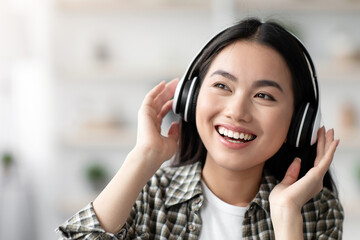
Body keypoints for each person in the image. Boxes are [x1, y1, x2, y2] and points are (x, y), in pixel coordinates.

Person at [57, 17, 344, 239]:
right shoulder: (146, 195)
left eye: (264, 95)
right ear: (191, 98)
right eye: (222, 86)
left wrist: (286, 215)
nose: (237, 111)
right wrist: (143, 156)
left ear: (298, 123)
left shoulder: (316, 209)